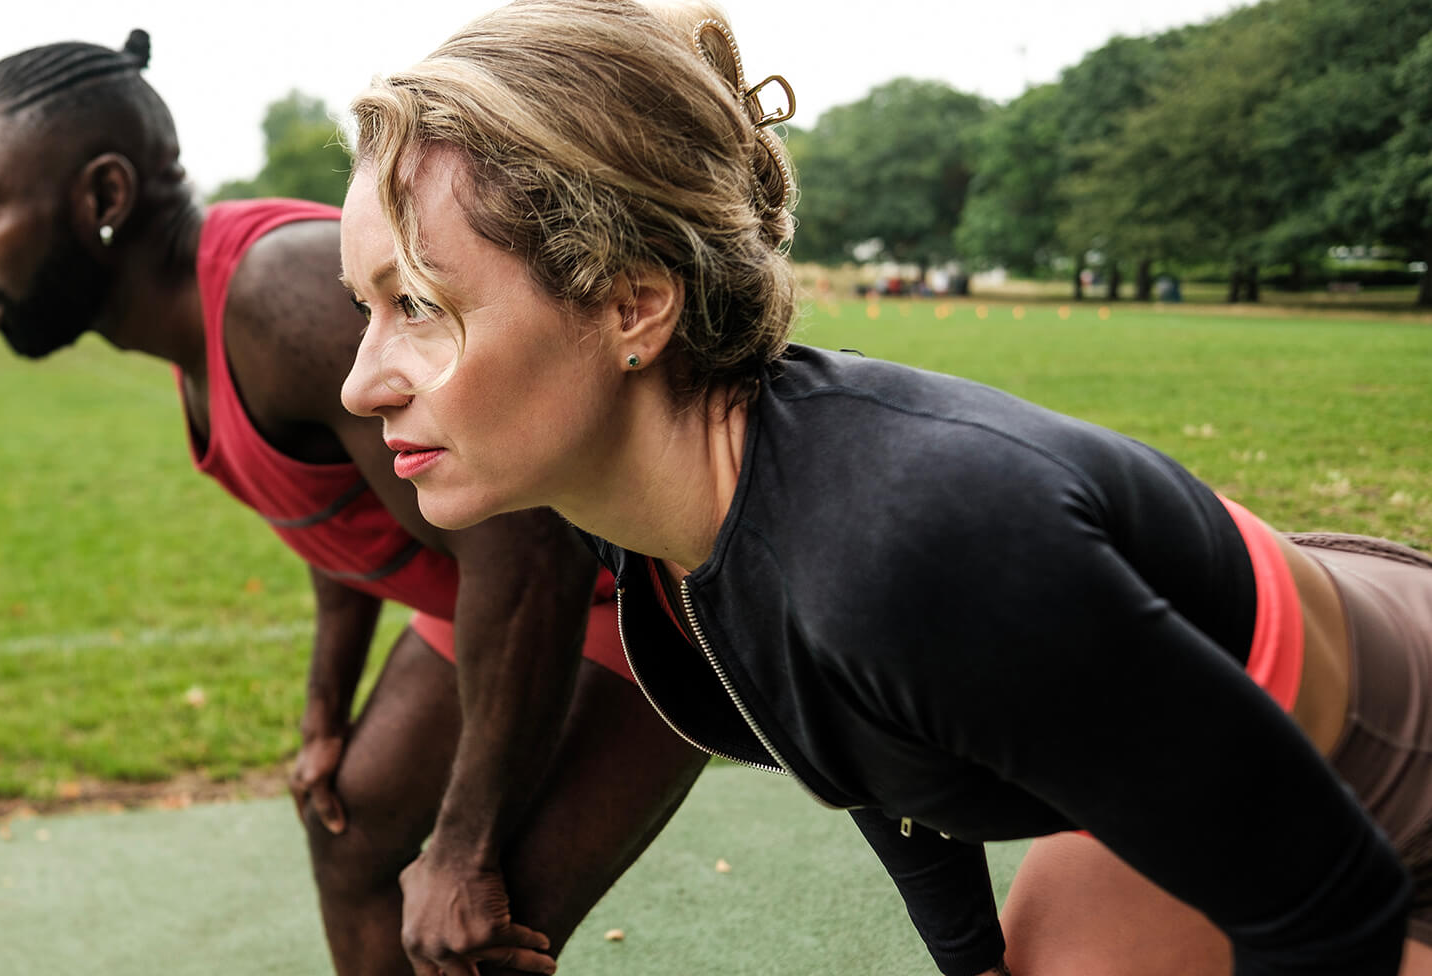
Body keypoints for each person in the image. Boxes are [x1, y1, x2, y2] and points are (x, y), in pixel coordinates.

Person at [336, 1, 1432, 973]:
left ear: (632, 304)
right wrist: (972, 957)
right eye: (365, 308)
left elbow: (1330, 901)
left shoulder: (903, 541)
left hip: (1382, 788)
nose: (361, 381)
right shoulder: (661, 523)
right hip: (1216, 763)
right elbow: (872, 744)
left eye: (421, 304)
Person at [0, 31, 707, 976]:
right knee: (348, 831)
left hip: (634, 583)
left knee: (472, 940)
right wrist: (323, 708)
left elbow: (531, 554)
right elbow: (345, 519)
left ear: (103, 198)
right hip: (508, 591)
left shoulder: (276, 295)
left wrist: (465, 842)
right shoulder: (210, 336)